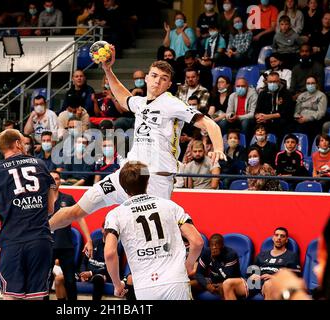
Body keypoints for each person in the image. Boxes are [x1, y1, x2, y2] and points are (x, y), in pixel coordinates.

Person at [49, 46, 225, 232]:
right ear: (147, 78)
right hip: (127, 175)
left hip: (156, 180)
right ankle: (40, 232)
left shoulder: (172, 103)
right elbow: (124, 96)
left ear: (169, 85)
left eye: (163, 79)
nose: (157, 81)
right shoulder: (140, 103)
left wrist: (219, 147)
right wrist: (108, 70)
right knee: (77, 210)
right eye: (155, 76)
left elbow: (209, 124)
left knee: (156, 236)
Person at [103, 161, 204, 299]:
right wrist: (188, 265)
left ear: (123, 186)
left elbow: (109, 253)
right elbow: (197, 242)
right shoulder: (170, 206)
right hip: (175, 281)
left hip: (145, 287)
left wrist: (117, 284)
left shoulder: (115, 214)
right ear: (148, 181)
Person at [0, 129, 56, 300]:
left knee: (11, 296)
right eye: (23, 141)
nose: (25, 145)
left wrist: (11, 215)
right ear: (16, 144)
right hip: (39, 239)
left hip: (12, 241)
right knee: (36, 296)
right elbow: (50, 208)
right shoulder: (40, 164)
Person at [222, 227, 301, 300]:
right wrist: (252, 275)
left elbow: (294, 278)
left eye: (282, 236)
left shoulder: (291, 256)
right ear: (273, 238)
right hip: (257, 282)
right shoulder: (262, 255)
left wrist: (274, 278)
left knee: (268, 284)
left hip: (274, 283)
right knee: (227, 283)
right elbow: (251, 270)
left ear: (286, 240)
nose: (279, 238)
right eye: (276, 235)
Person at [49, 170, 92, 301]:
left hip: (65, 246)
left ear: (60, 182)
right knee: (44, 281)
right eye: (51, 178)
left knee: (70, 281)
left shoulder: (67, 198)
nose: (54, 181)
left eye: (56, 179)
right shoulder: (42, 200)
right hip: (47, 246)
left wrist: (89, 239)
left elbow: (80, 218)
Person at [192, 234, 241, 298]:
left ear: (222, 245)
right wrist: (207, 285)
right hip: (212, 281)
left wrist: (215, 259)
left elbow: (226, 277)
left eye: (217, 245)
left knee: (223, 288)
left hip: (229, 282)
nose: (214, 247)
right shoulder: (207, 252)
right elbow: (198, 273)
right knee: (189, 285)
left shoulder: (231, 255)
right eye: (212, 245)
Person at [255, 72, 294, 139]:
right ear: (267, 82)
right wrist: (258, 117)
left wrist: (268, 116)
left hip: (281, 121)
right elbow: (257, 110)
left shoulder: (286, 93)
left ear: (279, 81)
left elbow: (287, 112)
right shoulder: (263, 93)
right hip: (266, 121)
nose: (272, 84)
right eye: (270, 82)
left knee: (285, 124)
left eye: (274, 81)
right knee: (257, 125)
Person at [79, 222, 111, 300]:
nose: (108, 232)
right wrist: (82, 273)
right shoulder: (92, 243)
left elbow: (110, 269)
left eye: (111, 230)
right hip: (86, 273)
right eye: (106, 229)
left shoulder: (114, 247)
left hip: (100, 274)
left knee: (99, 278)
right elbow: (83, 262)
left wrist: (91, 273)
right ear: (102, 230)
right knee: (63, 278)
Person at [293, 76, 327, 143]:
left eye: (312, 83)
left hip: (314, 121)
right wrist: (298, 117)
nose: (310, 85)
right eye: (308, 83)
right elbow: (296, 111)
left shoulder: (321, 95)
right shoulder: (301, 96)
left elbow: (321, 113)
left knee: (307, 129)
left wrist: (307, 119)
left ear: (316, 84)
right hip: (301, 120)